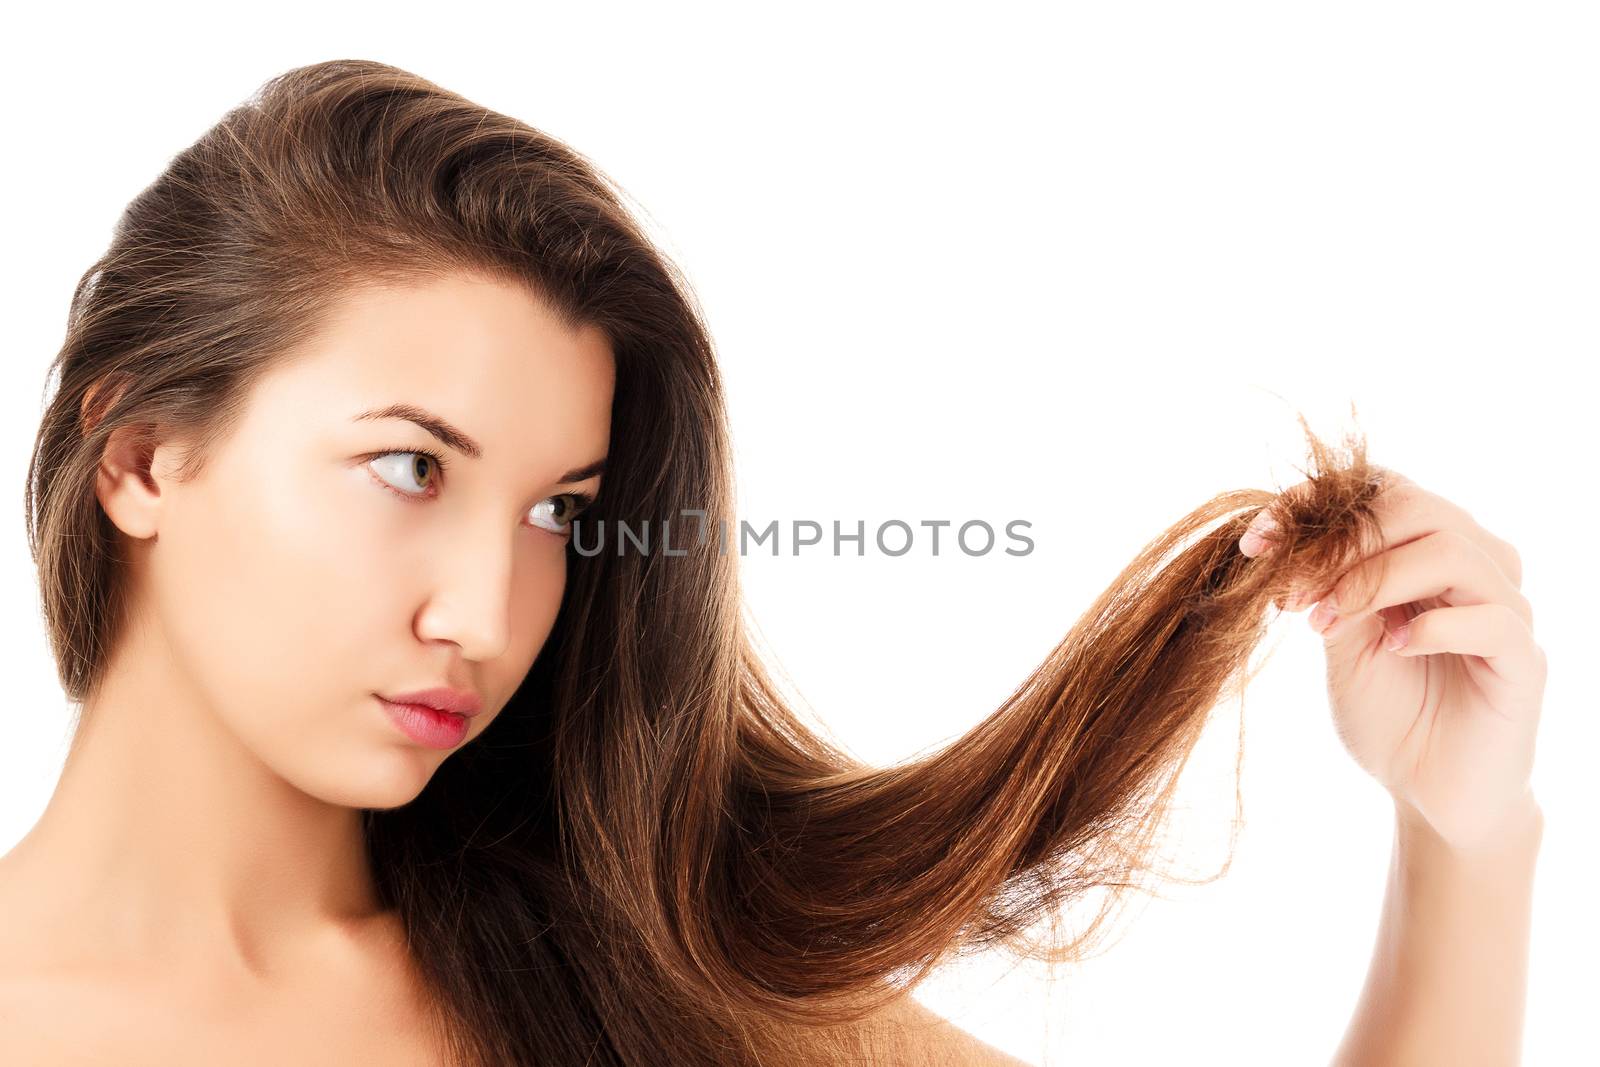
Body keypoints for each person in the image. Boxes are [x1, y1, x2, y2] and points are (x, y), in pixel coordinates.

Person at [0, 59, 1544, 1066]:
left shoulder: (633, 985)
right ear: (141, 455)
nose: (484, 611)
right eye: (411, 468)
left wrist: (1464, 841)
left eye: (556, 512)